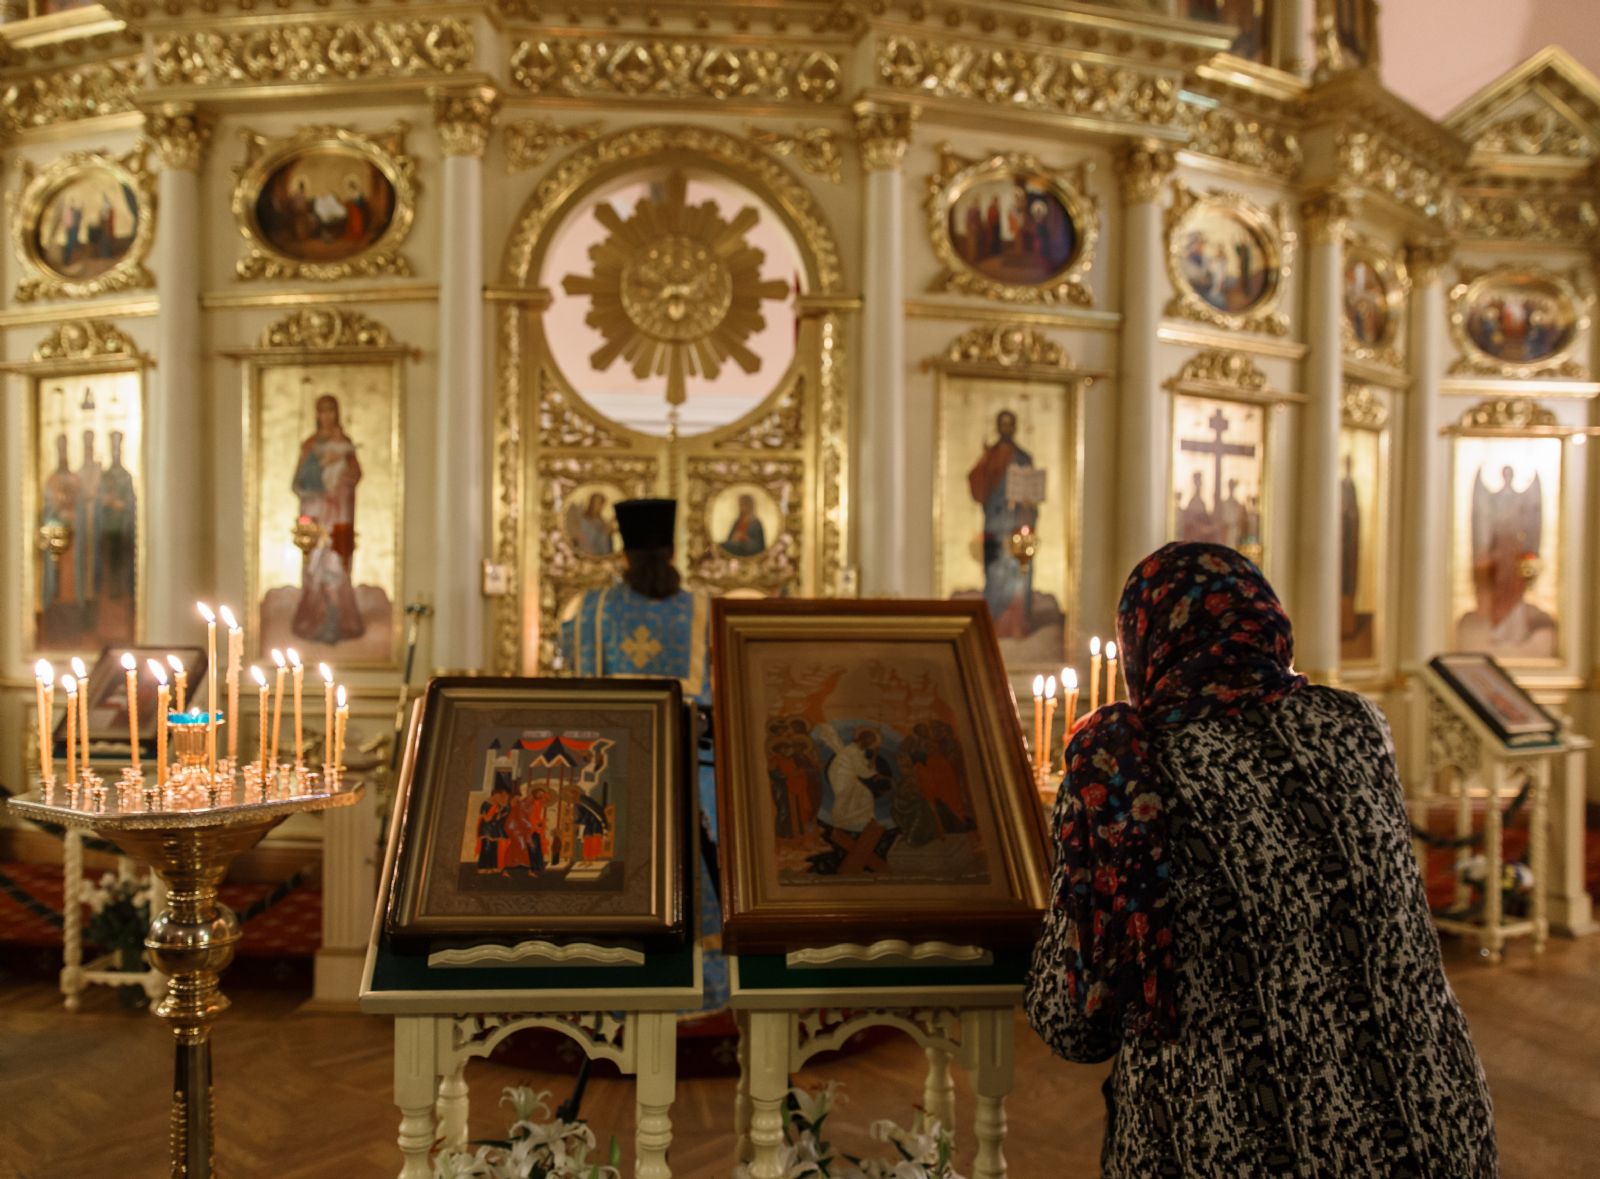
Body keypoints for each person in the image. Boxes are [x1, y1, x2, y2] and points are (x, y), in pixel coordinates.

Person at [1026, 542, 1496, 1177]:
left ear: (1145, 645)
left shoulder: (1124, 774)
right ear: (1267, 623)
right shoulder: (1356, 724)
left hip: (1236, 1141)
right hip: (1432, 1122)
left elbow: (1073, 1022)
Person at [291, 393, 364, 644]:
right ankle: (315, 619)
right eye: (322, 411)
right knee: (315, 568)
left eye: (331, 410)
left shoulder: (345, 443)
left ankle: (335, 620)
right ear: (317, 415)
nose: (327, 416)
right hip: (315, 515)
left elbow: (355, 475)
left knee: (335, 566)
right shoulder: (309, 445)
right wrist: (319, 483)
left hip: (339, 516)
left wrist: (340, 484)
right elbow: (298, 484)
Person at [967, 410, 1037, 638]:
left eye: (1010, 424)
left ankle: (1016, 625)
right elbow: (977, 484)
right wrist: (987, 464)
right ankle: (993, 625)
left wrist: (1027, 503)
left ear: (1014, 427)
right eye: (1003, 424)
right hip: (995, 524)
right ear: (998, 427)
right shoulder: (990, 456)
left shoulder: (1023, 458)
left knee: (1018, 574)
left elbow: (1032, 495)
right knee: (995, 573)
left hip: (1017, 526)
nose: (1006, 429)